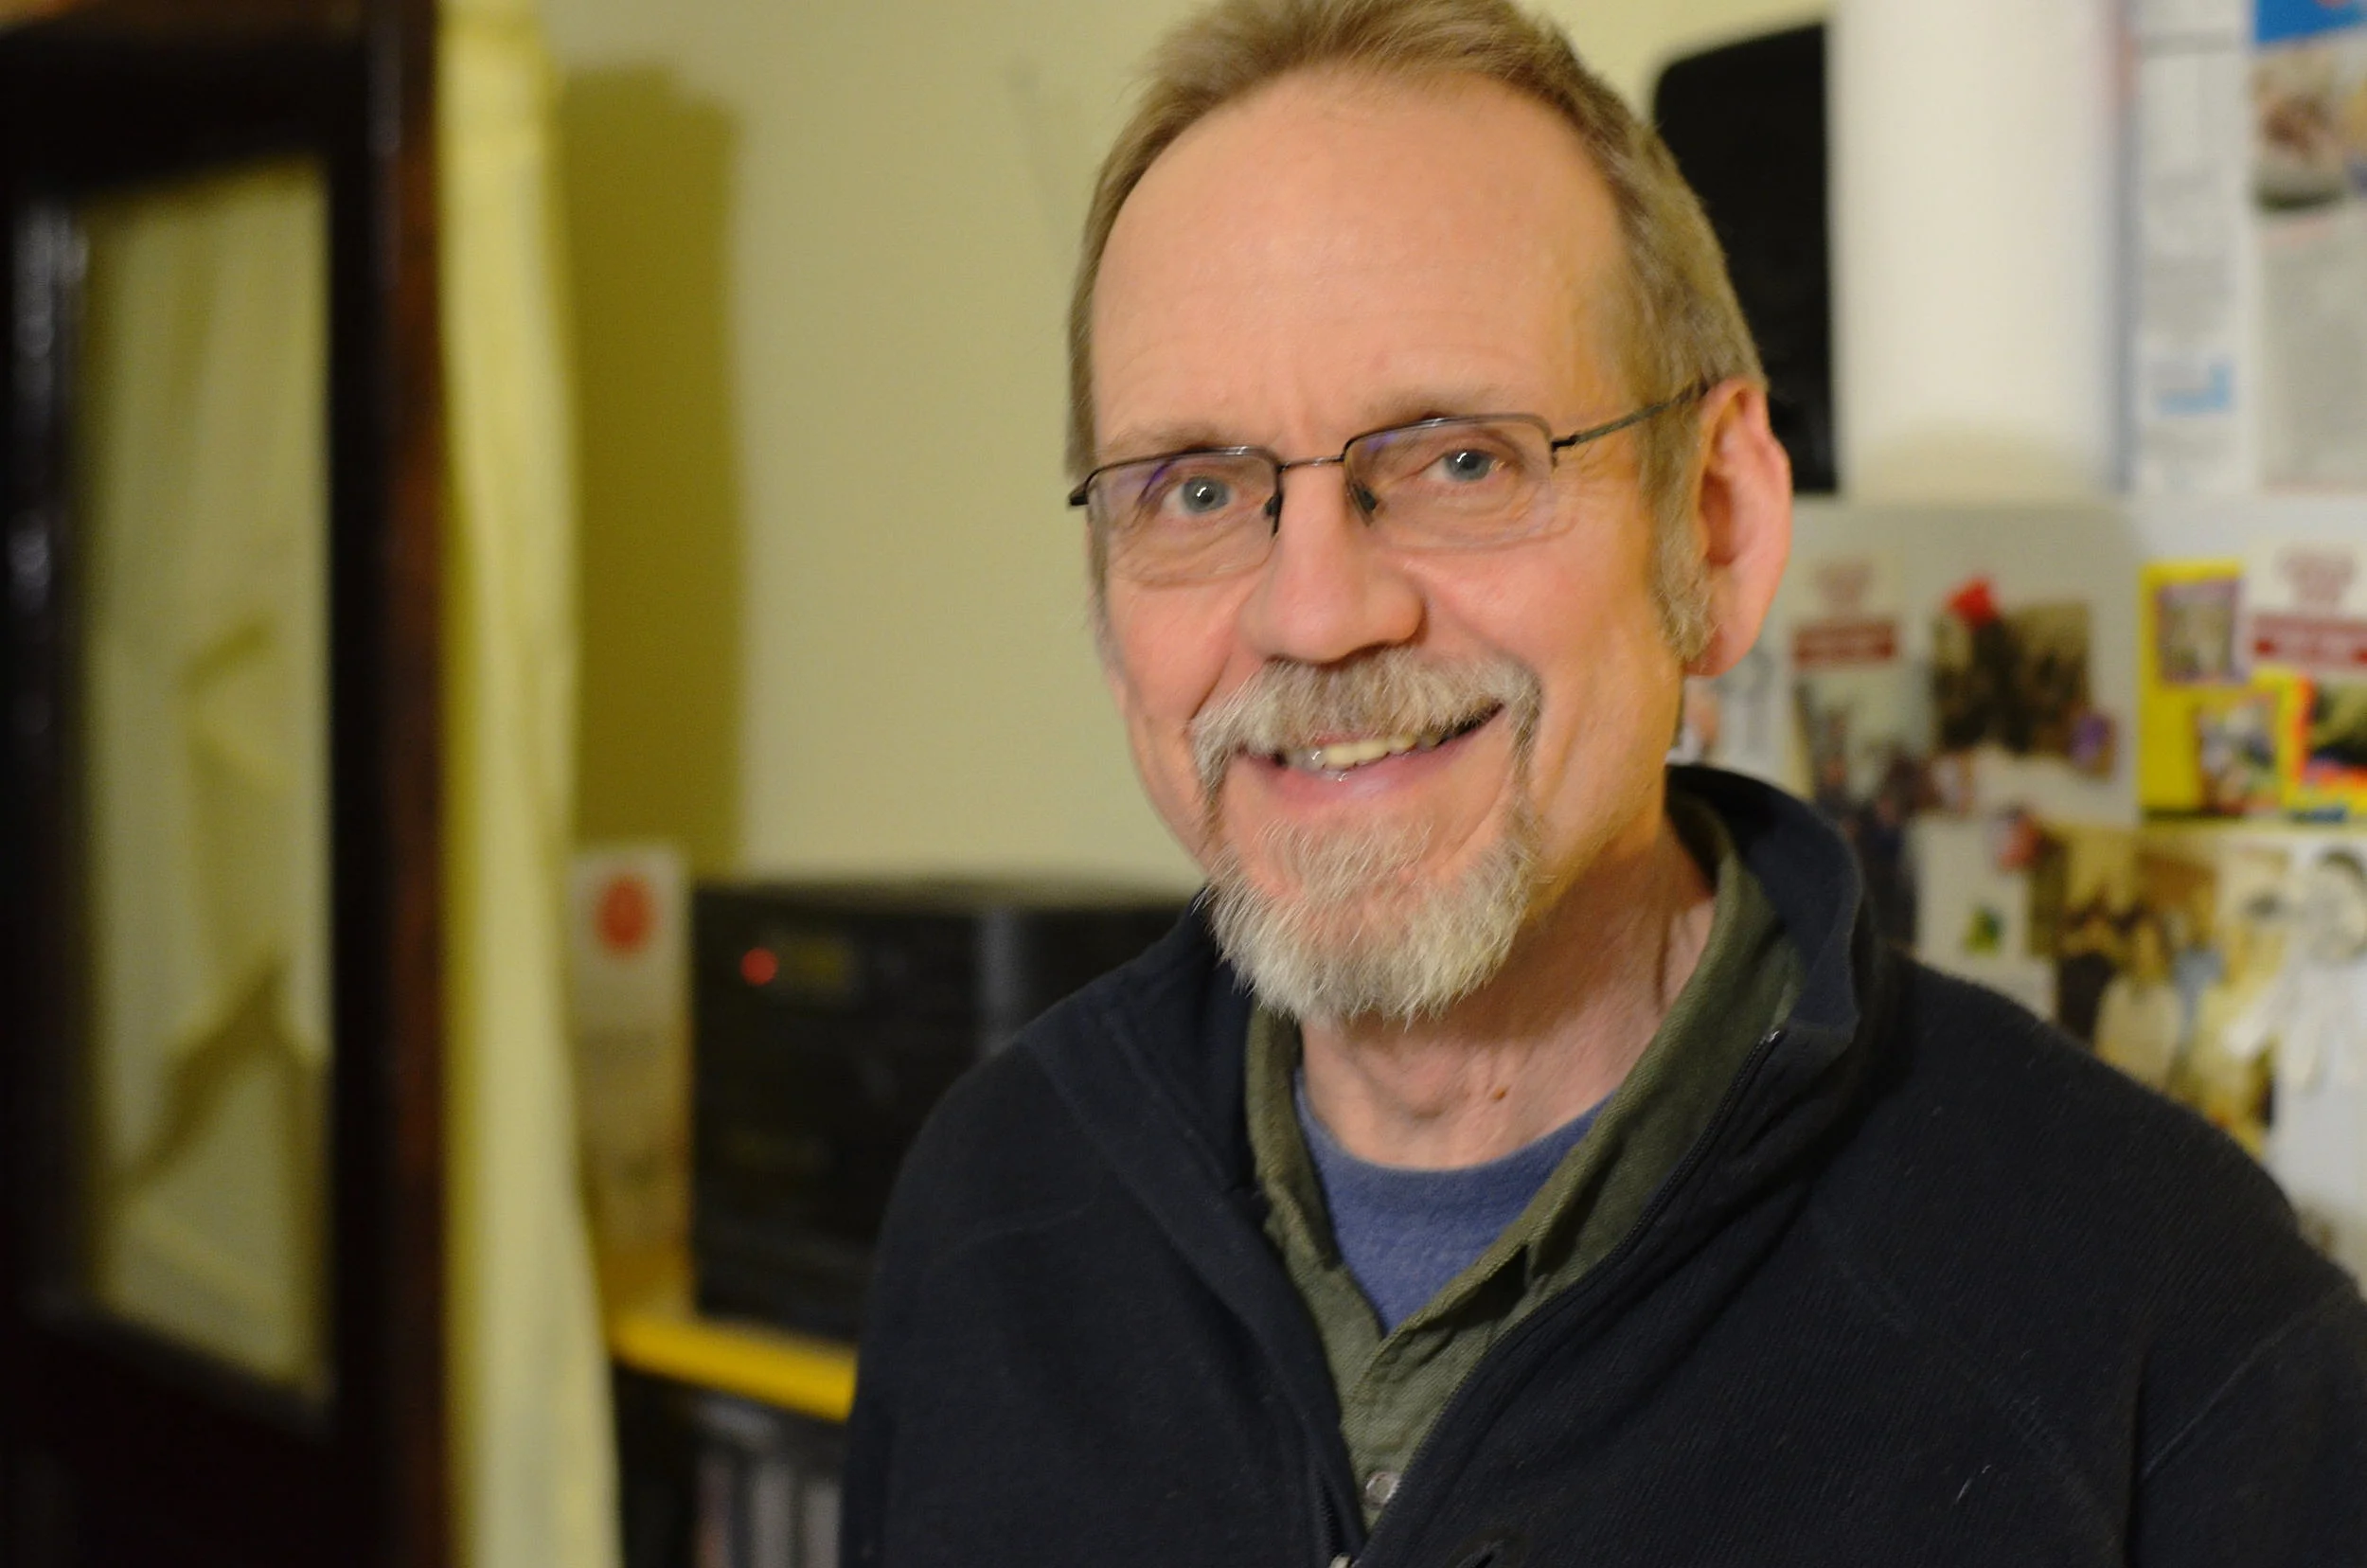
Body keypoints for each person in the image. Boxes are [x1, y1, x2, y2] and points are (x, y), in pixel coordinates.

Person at [842, 2, 2367, 1562]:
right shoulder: (993, 1214)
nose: (1314, 613)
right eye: (1200, 488)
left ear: (1714, 527)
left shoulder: (2164, 1324)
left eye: (1457, 461)